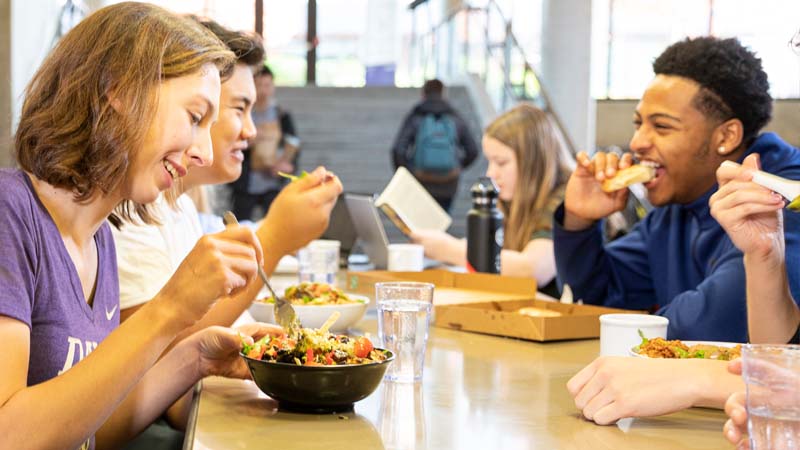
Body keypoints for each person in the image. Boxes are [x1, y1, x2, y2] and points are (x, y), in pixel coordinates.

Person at [0, 4, 286, 449]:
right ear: (119, 90)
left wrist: (194, 359)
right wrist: (171, 308)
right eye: (195, 118)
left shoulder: (100, 243)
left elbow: (90, 431)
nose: (204, 154)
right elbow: (10, 435)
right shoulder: (10, 213)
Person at [553, 36, 800, 342]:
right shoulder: (675, 209)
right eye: (638, 124)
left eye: (661, 127)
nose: (637, 142)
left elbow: (718, 322)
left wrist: (630, 328)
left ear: (727, 136)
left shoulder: (784, 197)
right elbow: (591, 300)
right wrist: (579, 221)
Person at [113, 18, 341, 334]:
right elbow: (155, 348)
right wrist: (276, 237)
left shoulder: (181, 210)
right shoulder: (126, 214)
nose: (251, 130)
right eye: (239, 109)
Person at [410, 104, 573, 297]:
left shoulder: (566, 200)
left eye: (501, 162)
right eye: (490, 161)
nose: (491, 173)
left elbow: (532, 269)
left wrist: (449, 249)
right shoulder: (509, 200)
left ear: (533, 162)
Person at [391, 78, 480, 212]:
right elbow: (473, 150)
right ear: (443, 94)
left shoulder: (416, 116)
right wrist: (457, 166)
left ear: (423, 94)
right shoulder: (455, 117)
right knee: (441, 223)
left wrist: (409, 171)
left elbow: (398, 150)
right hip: (449, 183)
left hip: (421, 180)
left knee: (419, 224)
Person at [229, 65, 300, 221]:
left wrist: (287, 166)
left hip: (273, 184)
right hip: (246, 183)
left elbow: (293, 144)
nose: (263, 91)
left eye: (267, 85)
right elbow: (227, 143)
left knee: (276, 225)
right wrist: (247, 143)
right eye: (259, 85)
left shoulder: (281, 115)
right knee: (239, 224)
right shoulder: (241, 113)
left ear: (273, 86)